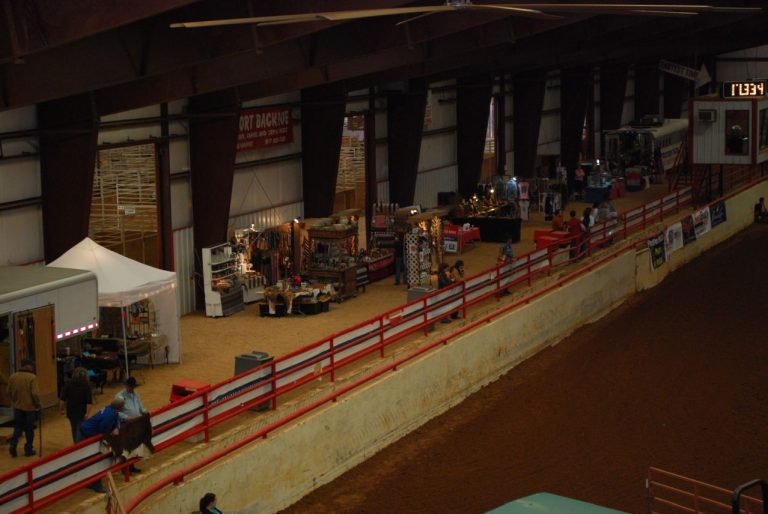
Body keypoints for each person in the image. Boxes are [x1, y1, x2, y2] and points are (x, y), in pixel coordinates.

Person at [79, 398, 125, 492]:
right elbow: (103, 430)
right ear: (120, 407)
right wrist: (112, 432)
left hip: (89, 432)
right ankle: (95, 484)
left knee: (95, 459)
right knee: (94, 459)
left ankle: (92, 482)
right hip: (86, 435)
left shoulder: (111, 409)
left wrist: (116, 427)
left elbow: (117, 419)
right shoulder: (109, 415)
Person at [8, 359, 40, 458]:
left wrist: (14, 400)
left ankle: (13, 444)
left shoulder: (13, 376)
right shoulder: (32, 377)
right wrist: (38, 404)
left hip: (17, 407)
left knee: (17, 427)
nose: (33, 367)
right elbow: (35, 393)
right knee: (29, 429)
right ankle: (28, 449)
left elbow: (8, 391)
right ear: (27, 366)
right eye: (32, 366)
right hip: (29, 408)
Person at [115, 376, 147, 472]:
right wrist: (126, 417)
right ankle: (125, 468)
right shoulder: (119, 396)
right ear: (126, 386)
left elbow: (140, 406)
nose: (133, 389)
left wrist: (145, 412)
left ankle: (131, 466)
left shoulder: (135, 394)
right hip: (126, 424)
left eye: (134, 387)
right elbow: (115, 412)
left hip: (135, 423)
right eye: (131, 387)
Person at [59, 367, 93, 444]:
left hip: (71, 411)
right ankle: (79, 445)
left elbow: (62, 399)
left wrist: (61, 409)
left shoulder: (68, 384)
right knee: (81, 429)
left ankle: (76, 443)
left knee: (74, 429)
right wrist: (87, 413)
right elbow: (89, 402)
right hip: (82, 411)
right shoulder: (87, 386)